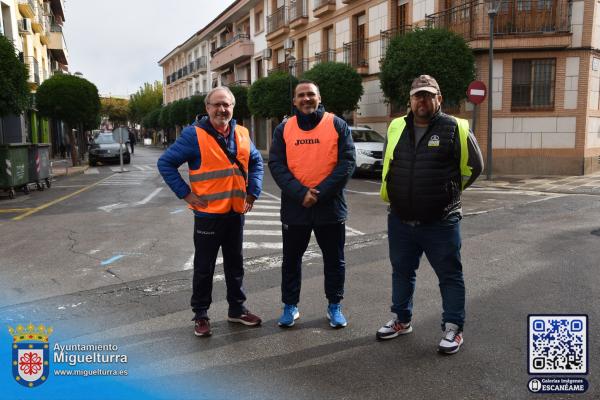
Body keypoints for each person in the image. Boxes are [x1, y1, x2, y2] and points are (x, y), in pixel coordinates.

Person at [376, 75, 483, 354]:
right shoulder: (396, 127)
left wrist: (449, 192)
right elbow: (390, 162)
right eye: (417, 96)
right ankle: (402, 320)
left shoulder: (455, 128)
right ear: (410, 100)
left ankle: (453, 328)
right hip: (400, 218)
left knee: (449, 275)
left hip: (441, 222)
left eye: (428, 95)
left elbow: (476, 165)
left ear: (439, 98)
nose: (422, 100)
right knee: (402, 272)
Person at [157, 86, 264, 337]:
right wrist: (185, 193)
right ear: (207, 108)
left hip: (236, 212)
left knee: (235, 265)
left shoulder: (242, 133)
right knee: (204, 267)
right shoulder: (193, 135)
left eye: (226, 104)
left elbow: (256, 162)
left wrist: (253, 191)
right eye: (216, 104)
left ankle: (237, 310)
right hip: (208, 215)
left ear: (232, 107)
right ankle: (201, 315)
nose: (221, 109)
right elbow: (166, 162)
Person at [269, 80, 356, 329]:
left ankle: (334, 306)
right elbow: (276, 164)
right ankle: (290, 306)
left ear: (319, 98)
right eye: (301, 95)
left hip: (330, 206)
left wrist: (319, 193)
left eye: (311, 94)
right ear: (294, 101)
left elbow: (347, 163)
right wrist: (300, 193)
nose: (306, 99)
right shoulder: (284, 129)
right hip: (296, 207)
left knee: (334, 260)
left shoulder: (337, 124)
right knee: (291, 260)